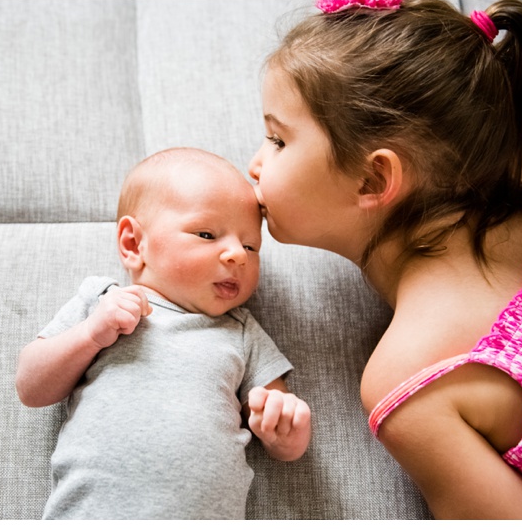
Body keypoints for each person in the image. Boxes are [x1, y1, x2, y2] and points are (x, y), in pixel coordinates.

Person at [247, 0, 522, 520]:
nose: (255, 163)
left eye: (278, 139)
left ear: (373, 180)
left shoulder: (409, 373)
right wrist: (504, 187)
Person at [15, 147, 311, 519]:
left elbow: (283, 438)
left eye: (251, 245)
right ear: (133, 244)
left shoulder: (241, 333)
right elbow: (31, 387)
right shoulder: (102, 302)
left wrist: (287, 430)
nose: (238, 254)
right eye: (207, 234)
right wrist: (90, 335)